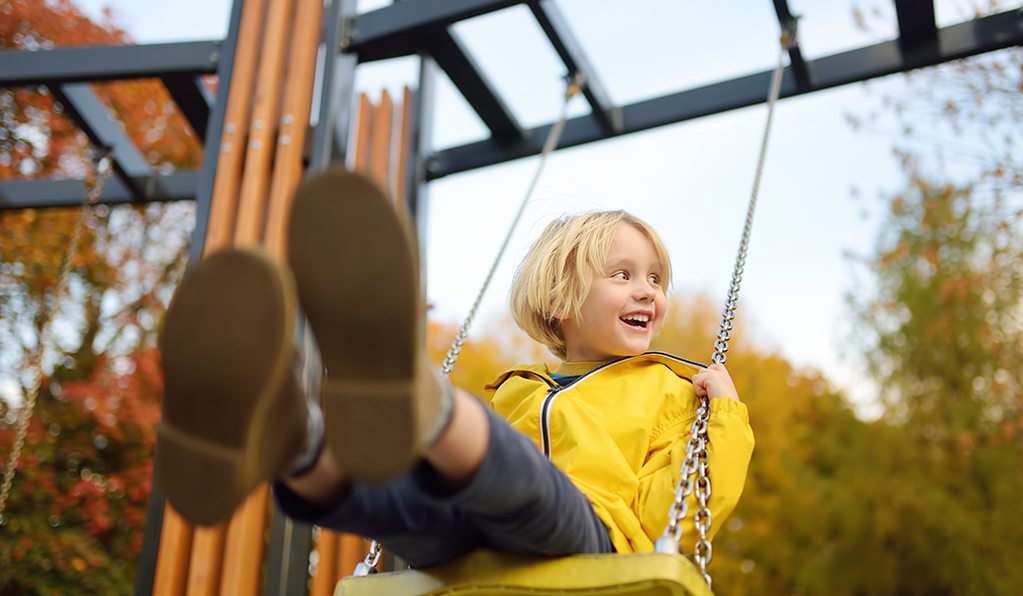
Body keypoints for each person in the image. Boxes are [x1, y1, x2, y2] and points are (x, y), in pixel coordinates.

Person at [156, 168, 755, 568]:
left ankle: (419, 396)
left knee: (523, 482)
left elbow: (676, 512)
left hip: (590, 542)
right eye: (622, 275)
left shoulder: (673, 392)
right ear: (559, 298)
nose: (648, 291)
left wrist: (722, 412)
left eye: (656, 278)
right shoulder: (521, 389)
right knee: (408, 506)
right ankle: (292, 441)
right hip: (479, 548)